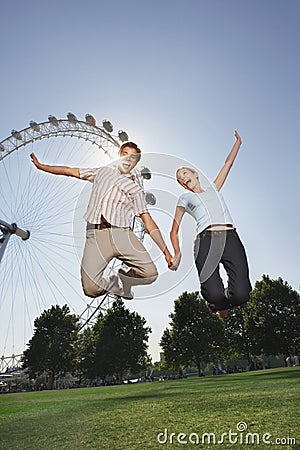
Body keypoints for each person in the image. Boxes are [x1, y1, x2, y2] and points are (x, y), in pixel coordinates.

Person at [30, 141, 174, 300]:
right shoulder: (102, 172)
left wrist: (166, 253)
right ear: (119, 156)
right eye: (125, 154)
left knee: (150, 274)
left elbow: (148, 222)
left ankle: (126, 277)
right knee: (90, 289)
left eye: (133, 157)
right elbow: (68, 171)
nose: (128, 159)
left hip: (122, 234)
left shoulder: (136, 190)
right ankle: (113, 283)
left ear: (135, 163)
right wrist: (41, 166)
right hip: (96, 235)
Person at [170, 131, 252, 318]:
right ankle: (217, 303)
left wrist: (238, 143)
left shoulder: (214, 188)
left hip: (230, 237)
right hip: (205, 241)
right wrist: (177, 253)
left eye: (184, 173)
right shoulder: (185, 198)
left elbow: (227, 164)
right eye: (180, 179)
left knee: (241, 294)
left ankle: (221, 304)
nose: (183, 178)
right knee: (213, 293)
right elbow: (173, 230)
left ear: (195, 174)